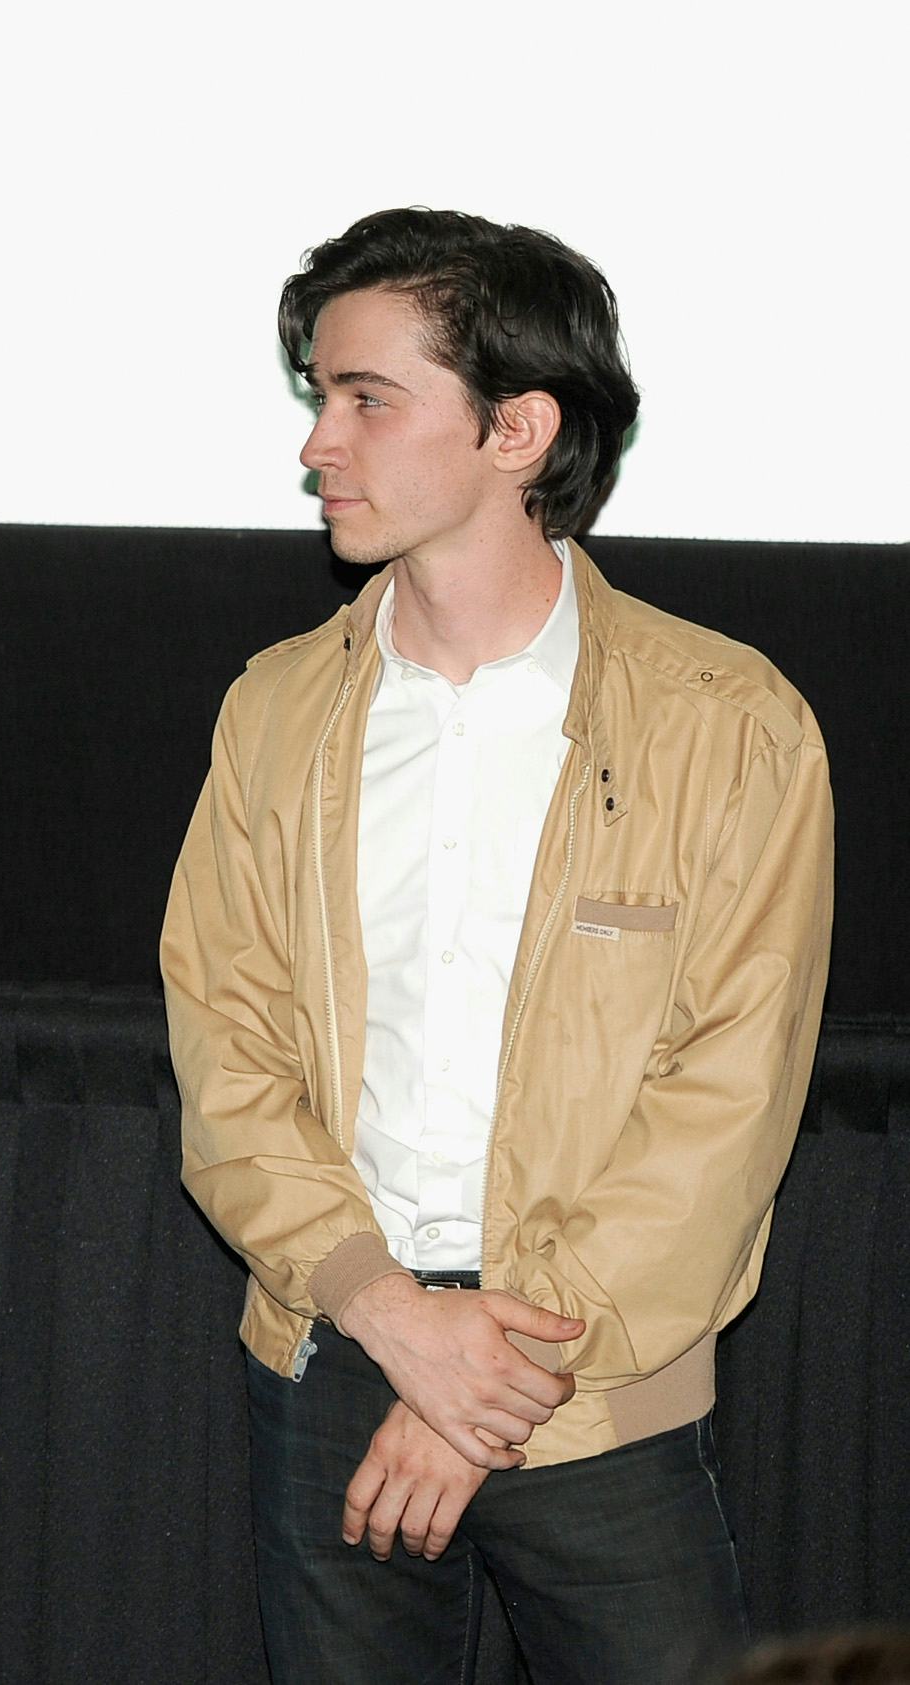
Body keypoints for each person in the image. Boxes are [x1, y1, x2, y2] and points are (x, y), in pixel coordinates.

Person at [160, 208, 832, 1684]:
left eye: (367, 398)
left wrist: (487, 1385)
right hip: (335, 1349)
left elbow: (724, 1107)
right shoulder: (276, 711)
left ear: (518, 429)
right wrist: (391, 1317)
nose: (318, 443)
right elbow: (227, 1049)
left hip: (599, 1388)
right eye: (320, 396)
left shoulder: (730, 727)